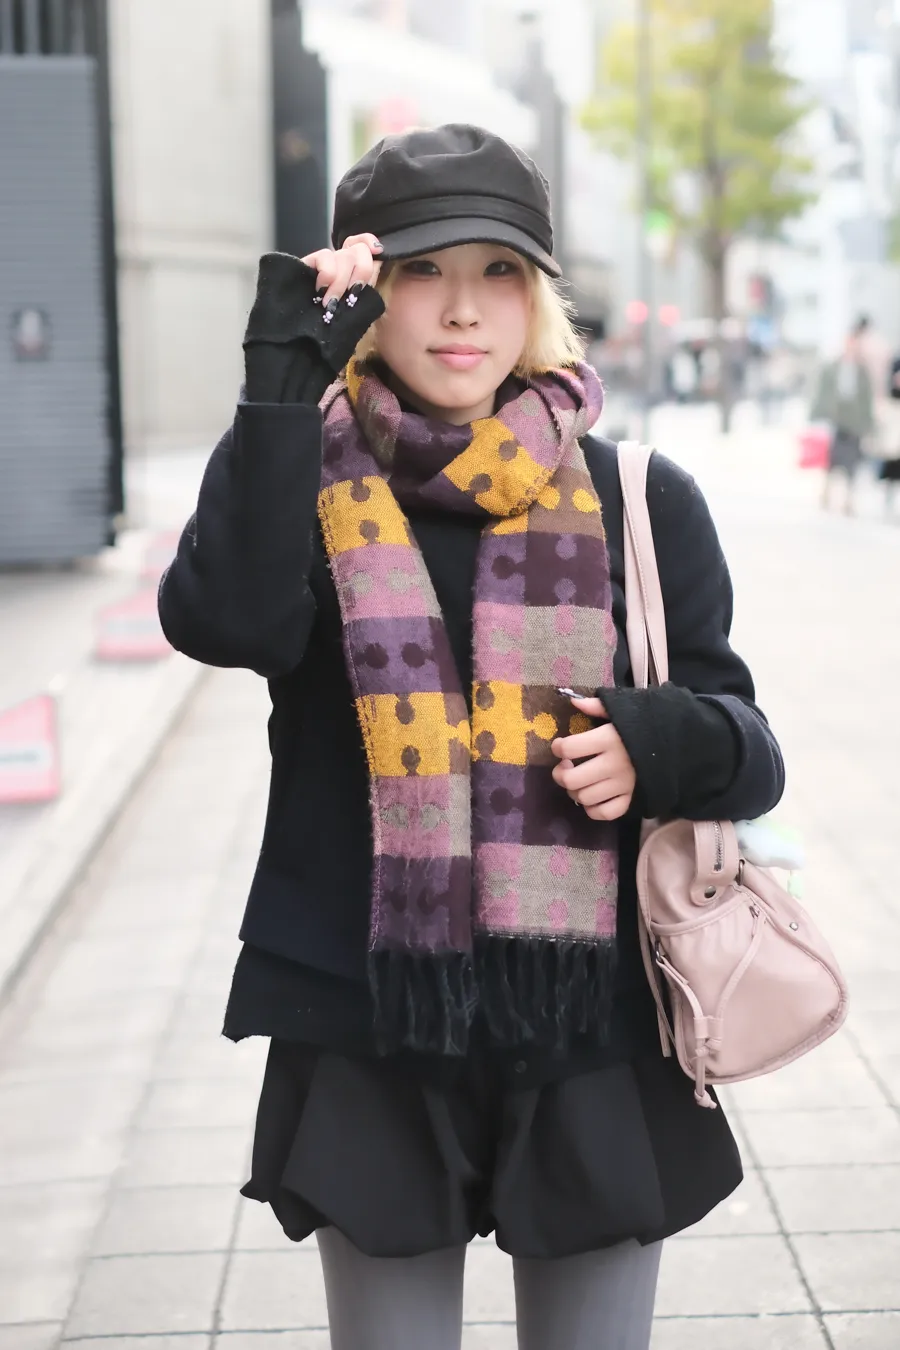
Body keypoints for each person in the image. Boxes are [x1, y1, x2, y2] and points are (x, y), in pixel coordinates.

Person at [158, 124, 785, 1350]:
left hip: (590, 1025)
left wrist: (651, 741)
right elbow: (220, 619)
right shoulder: (310, 489)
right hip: (372, 1023)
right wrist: (281, 378)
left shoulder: (638, 497)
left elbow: (749, 748)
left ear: (537, 297)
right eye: (421, 272)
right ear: (370, 295)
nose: (461, 309)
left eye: (498, 271)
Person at [811, 323, 875, 515]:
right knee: (832, 459)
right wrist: (817, 414)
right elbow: (822, 392)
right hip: (836, 418)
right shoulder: (833, 366)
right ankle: (826, 492)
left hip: (854, 421)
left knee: (852, 462)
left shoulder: (862, 370)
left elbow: (867, 398)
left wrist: (868, 423)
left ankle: (849, 499)